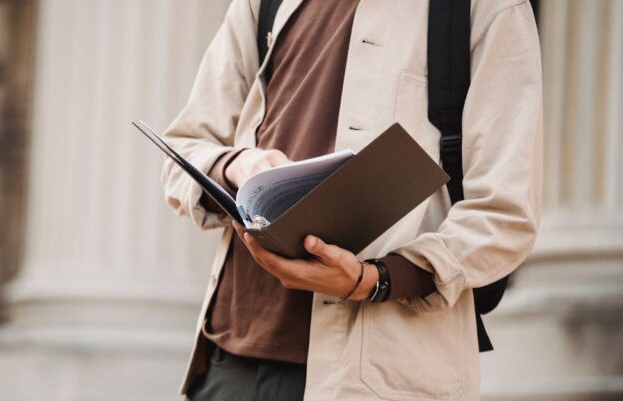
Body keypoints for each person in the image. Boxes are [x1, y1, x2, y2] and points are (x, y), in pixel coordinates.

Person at [160, 0, 542, 400]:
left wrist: (372, 280)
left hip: (379, 378)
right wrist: (238, 164)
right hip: (228, 364)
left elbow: (505, 212)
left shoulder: (487, 8)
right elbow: (184, 147)